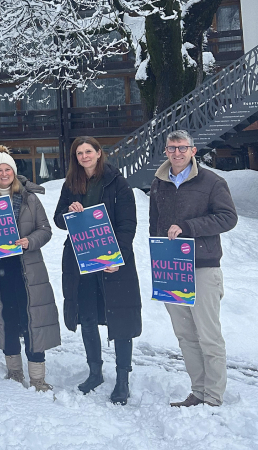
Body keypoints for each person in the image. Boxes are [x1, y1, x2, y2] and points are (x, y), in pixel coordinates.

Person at [150, 130, 237, 407]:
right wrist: (157, 258)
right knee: (185, 335)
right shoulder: (159, 183)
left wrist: (189, 228)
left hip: (202, 266)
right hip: (171, 269)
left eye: (182, 148)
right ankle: (198, 391)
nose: (177, 153)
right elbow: (155, 223)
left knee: (208, 336)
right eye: (172, 148)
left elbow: (227, 218)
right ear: (166, 151)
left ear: (193, 151)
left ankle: (213, 396)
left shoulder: (212, 181)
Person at [53, 136, 141, 405]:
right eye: (79, 153)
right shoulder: (71, 184)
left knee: (120, 318)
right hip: (82, 259)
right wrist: (70, 211)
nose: (84, 156)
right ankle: (95, 372)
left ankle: (122, 378)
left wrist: (119, 257)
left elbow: (128, 225)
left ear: (99, 153)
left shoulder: (118, 182)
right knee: (87, 315)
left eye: (88, 151)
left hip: (114, 261)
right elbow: (58, 219)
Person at [0, 146, 60, 392]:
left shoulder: (29, 198)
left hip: (27, 268)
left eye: (8, 169)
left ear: (14, 172)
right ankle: (14, 371)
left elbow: (45, 230)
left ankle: (37, 377)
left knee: (32, 319)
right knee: (5, 318)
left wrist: (30, 241)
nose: (4, 174)